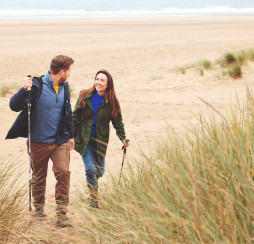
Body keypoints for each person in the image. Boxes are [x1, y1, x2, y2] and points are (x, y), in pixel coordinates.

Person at [6, 55, 75, 228]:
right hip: (38, 142)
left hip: (59, 141)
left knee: (63, 171)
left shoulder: (65, 87)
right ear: (61, 71)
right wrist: (24, 89)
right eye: (69, 71)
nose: (69, 74)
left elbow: (67, 113)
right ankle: (39, 208)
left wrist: (71, 135)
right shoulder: (36, 85)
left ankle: (62, 213)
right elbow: (13, 105)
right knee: (38, 176)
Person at [72, 69, 129, 208]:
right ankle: (93, 200)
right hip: (84, 140)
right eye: (97, 79)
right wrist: (70, 136)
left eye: (102, 80)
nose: (98, 82)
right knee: (90, 170)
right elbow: (74, 117)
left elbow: (118, 122)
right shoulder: (84, 96)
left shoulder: (112, 103)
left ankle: (92, 183)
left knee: (100, 171)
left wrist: (123, 139)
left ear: (108, 84)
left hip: (100, 142)